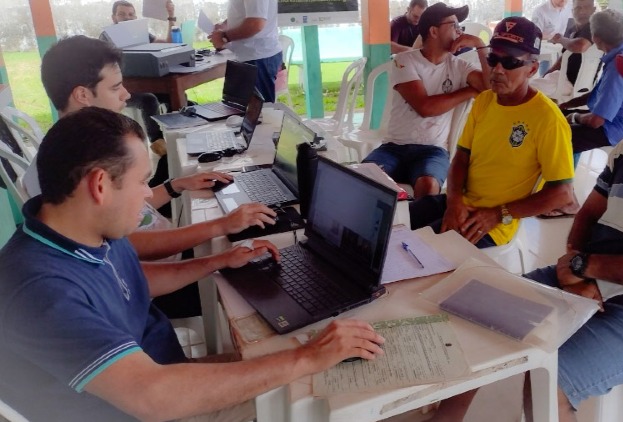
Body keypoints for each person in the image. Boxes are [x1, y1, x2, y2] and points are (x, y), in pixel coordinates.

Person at [431, 40, 623, 422]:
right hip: (596, 277)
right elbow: (587, 215)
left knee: (550, 378)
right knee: (476, 312)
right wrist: (575, 265)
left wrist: (588, 270)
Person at [0, 107, 386, 421]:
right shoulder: (39, 288)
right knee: (326, 385)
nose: (146, 196)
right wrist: (306, 358)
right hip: (153, 401)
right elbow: (154, 398)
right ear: (100, 185)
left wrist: (219, 262)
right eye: (141, 182)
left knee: (305, 350)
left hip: (163, 372)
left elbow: (133, 281)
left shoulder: (79, 231)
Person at [25, 35, 277, 315]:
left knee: (257, 241)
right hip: (159, 281)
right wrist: (219, 226)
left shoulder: (87, 146)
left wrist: (175, 186)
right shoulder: (60, 168)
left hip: (167, 259)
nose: (127, 95)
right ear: (83, 95)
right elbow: (126, 250)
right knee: (267, 278)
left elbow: (132, 208)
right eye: (116, 87)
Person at [409, 17, 575, 249]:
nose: (497, 69)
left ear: (533, 69)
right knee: (389, 225)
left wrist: (498, 214)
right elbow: (462, 158)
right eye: (493, 59)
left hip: (492, 224)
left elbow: (562, 194)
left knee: (417, 254)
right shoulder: (485, 100)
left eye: (509, 62)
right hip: (459, 203)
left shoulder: (548, 119)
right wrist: (454, 201)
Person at [363, 2, 490, 199]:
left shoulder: (460, 66)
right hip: (393, 148)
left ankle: (417, 227)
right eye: (454, 25)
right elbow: (425, 107)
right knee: (363, 179)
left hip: (433, 151)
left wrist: (481, 46)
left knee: (428, 186)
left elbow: (491, 88)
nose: (460, 32)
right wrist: (468, 91)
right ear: (433, 31)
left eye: (460, 27)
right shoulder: (404, 61)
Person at [544, 9, 623, 218]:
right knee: (565, 127)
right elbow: (597, 95)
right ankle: (565, 190)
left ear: (596, 38)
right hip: (622, 120)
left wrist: (572, 116)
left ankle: (565, 200)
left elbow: (597, 120)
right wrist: (567, 106)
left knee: (561, 137)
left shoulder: (618, 67)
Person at [101, 0, 180, 187]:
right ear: (114, 18)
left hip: (145, 82)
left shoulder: (141, 33)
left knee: (172, 96)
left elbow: (168, 42)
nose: (127, 18)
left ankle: (177, 143)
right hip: (122, 89)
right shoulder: (106, 37)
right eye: (122, 14)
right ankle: (158, 142)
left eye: (131, 14)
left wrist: (171, 17)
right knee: (149, 99)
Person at [208, 0, 283, 103]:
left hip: (257, 56)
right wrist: (225, 25)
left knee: (259, 113)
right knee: (238, 110)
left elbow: (256, 24)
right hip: (249, 56)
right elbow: (245, 13)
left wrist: (224, 37)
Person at [530, 0, 595, 97]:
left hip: (571, 83)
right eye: (578, 8)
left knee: (524, 90)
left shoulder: (594, 28)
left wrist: (560, 39)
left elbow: (581, 46)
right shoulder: (573, 29)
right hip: (562, 78)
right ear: (572, 11)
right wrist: (547, 74)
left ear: (593, 10)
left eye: (586, 7)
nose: (582, 11)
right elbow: (563, 58)